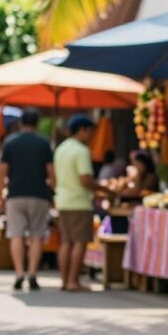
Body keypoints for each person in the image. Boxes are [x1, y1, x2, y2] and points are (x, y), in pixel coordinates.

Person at [54, 115, 115, 291]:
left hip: (63, 200)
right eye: (90, 132)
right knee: (79, 242)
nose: (91, 136)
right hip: (79, 202)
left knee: (66, 242)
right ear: (82, 130)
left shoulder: (61, 149)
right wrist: (105, 191)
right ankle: (73, 281)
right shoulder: (81, 151)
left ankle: (65, 281)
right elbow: (85, 180)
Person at [0, 107, 53, 292]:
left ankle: (19, 273)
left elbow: (2, 172)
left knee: (16, 235)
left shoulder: (10, 143)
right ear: (37, 123)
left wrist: (0, 195)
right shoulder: (44, 143)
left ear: (21, 123)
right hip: (39, 194)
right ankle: (32, 274)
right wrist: (52, 190)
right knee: (37, 235)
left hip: (15, 194)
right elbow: (51, 174)